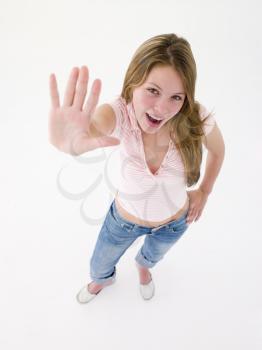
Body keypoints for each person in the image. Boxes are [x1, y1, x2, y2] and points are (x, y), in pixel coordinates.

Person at [48, 33, 225, 303]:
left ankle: (143, 268)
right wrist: (76, 137)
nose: (162, 109)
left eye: (176, 97)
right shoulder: (120, 112)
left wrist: (204, 192)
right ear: (133, 84)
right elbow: (98, 124)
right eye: (153, 91)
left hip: (176, 222)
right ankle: (101, 280)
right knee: (98, 264)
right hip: (123, 222)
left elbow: (218, 149)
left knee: (152, 257)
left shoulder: (196, 117)